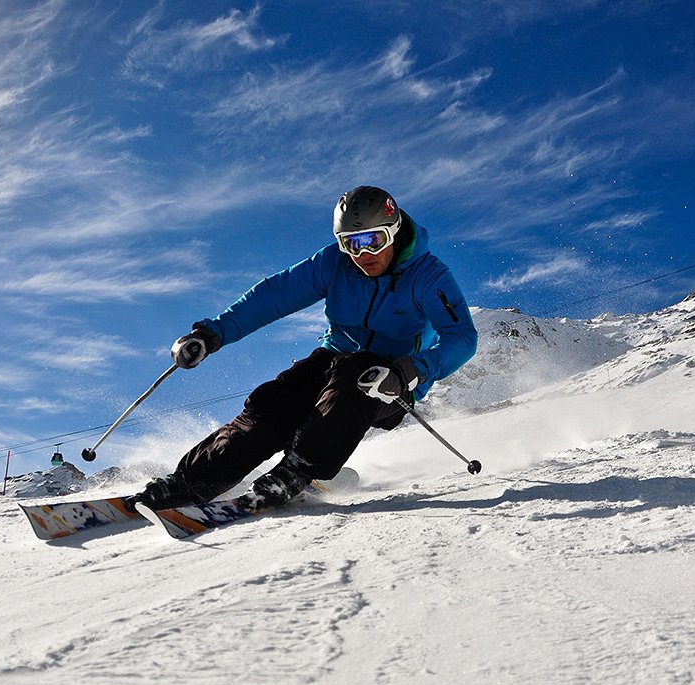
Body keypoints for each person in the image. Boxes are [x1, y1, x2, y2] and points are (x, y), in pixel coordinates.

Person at [127, 185, 478, 512]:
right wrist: (213, 334)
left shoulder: (429, 276)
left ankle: (296, 471)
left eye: (373, 240)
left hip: (391, 378)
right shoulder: (334, 263)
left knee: (352, 384)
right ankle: (190, 482)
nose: (362, 254)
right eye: (350, 243)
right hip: (335, 355)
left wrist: (411, 371)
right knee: (273, 405)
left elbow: (462, 336)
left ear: (394, 230)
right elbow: (276, 294)